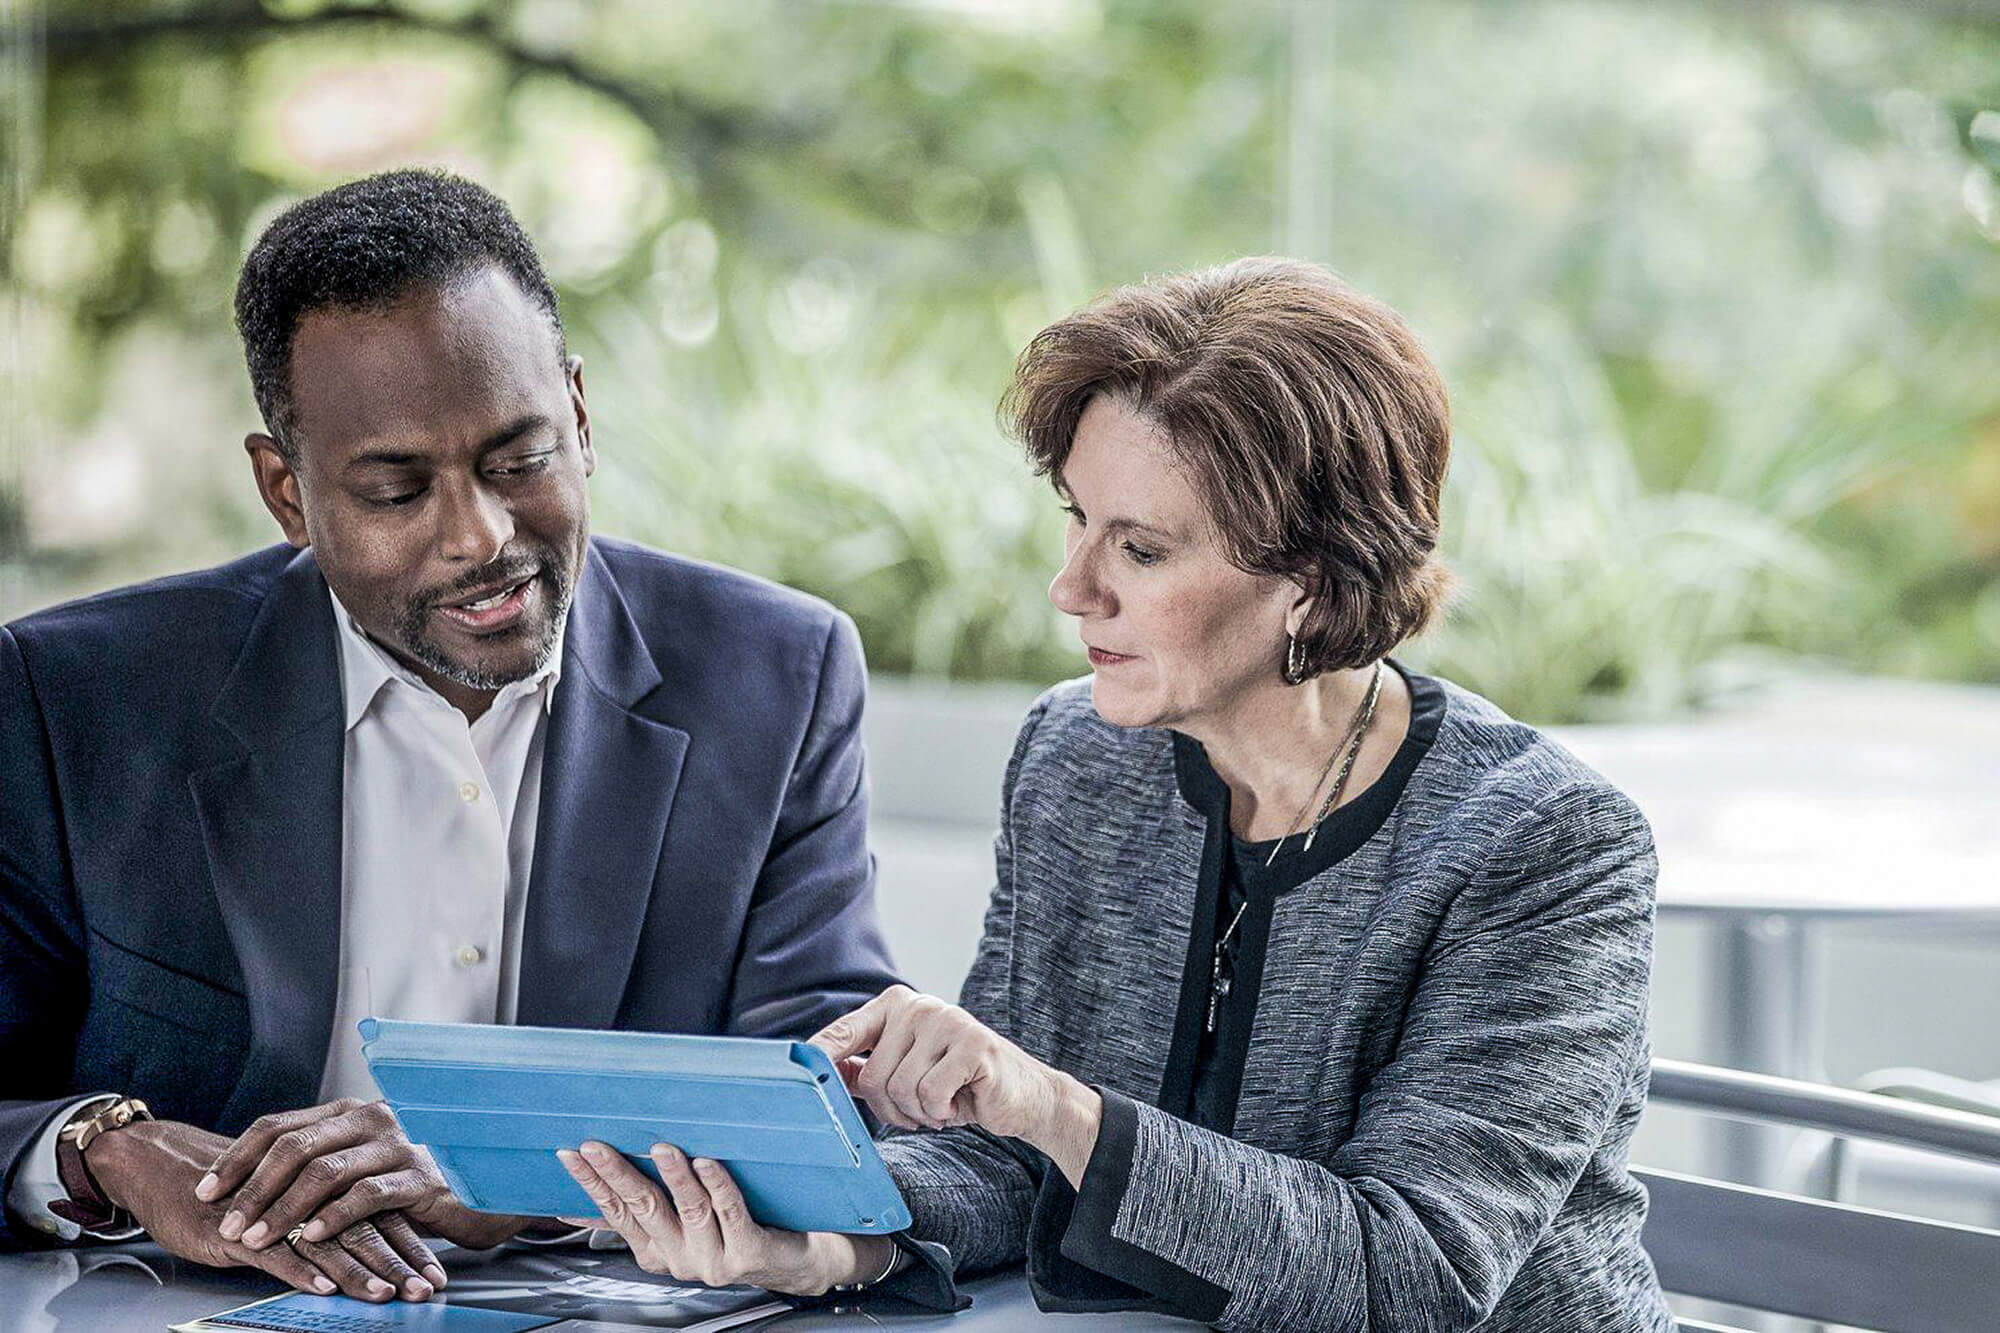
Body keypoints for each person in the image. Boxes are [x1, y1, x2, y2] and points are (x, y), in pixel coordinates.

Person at [557, 258, 1678, 1330]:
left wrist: (1051, 1104)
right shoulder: (1075, 762)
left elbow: (1412, 1277)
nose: (1069, 587)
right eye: (1073, 519)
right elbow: (999, 1158)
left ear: (1315, 581)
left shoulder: (1544, 844)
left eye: (1139, 550)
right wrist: (837, 1247)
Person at [0, 170, 901, 1302]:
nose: (480, 536)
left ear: (578, 415)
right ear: (286, 491)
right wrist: (112, 1149)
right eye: (395, 489)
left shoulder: (776, 675)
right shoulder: (74, 696)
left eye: (520, 459)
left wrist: (503, 1171)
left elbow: (831, 1095)